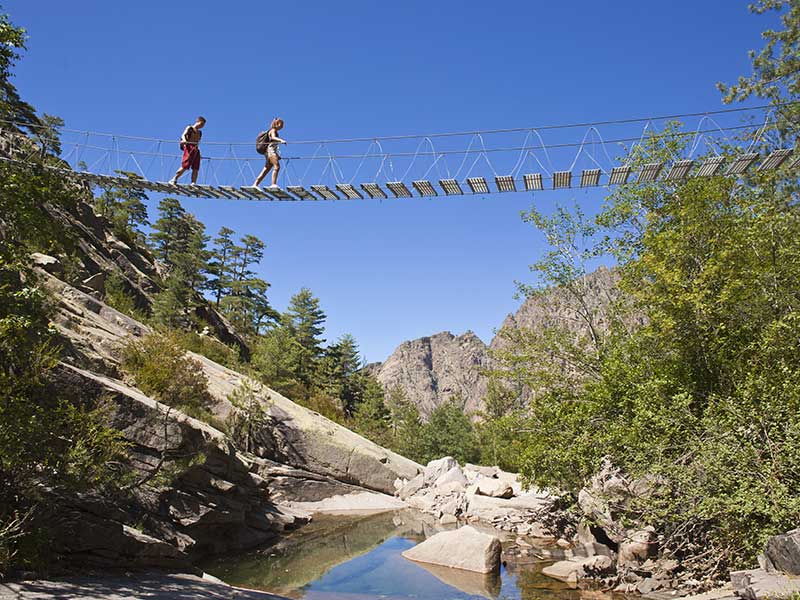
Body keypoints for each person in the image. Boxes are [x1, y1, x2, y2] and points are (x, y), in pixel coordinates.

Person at [170, 116, 206, 184]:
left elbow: (197, 143)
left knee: (196, 167)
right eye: (201, 124)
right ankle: (174, 179)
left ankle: (193, 183)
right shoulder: (190, 128)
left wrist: (199, 154)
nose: (202, 126)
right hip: (189, 147)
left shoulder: (200, 133)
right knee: (185, 165)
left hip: (196, 149)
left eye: (203, 125)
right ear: (197, 121)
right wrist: (184, 140)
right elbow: (183, 135)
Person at [252, 118, 287, 188]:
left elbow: (273, 145)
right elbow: (273, 138)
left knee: (266, 169)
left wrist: (277, 155)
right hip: (270, 151)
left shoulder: (273, 130)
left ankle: (255, 184)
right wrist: (281, 140)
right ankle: (273, 184)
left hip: (268, 152)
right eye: (281, 124)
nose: (282, 126)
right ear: (276, 124)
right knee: (277, 166)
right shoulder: (273, 130)